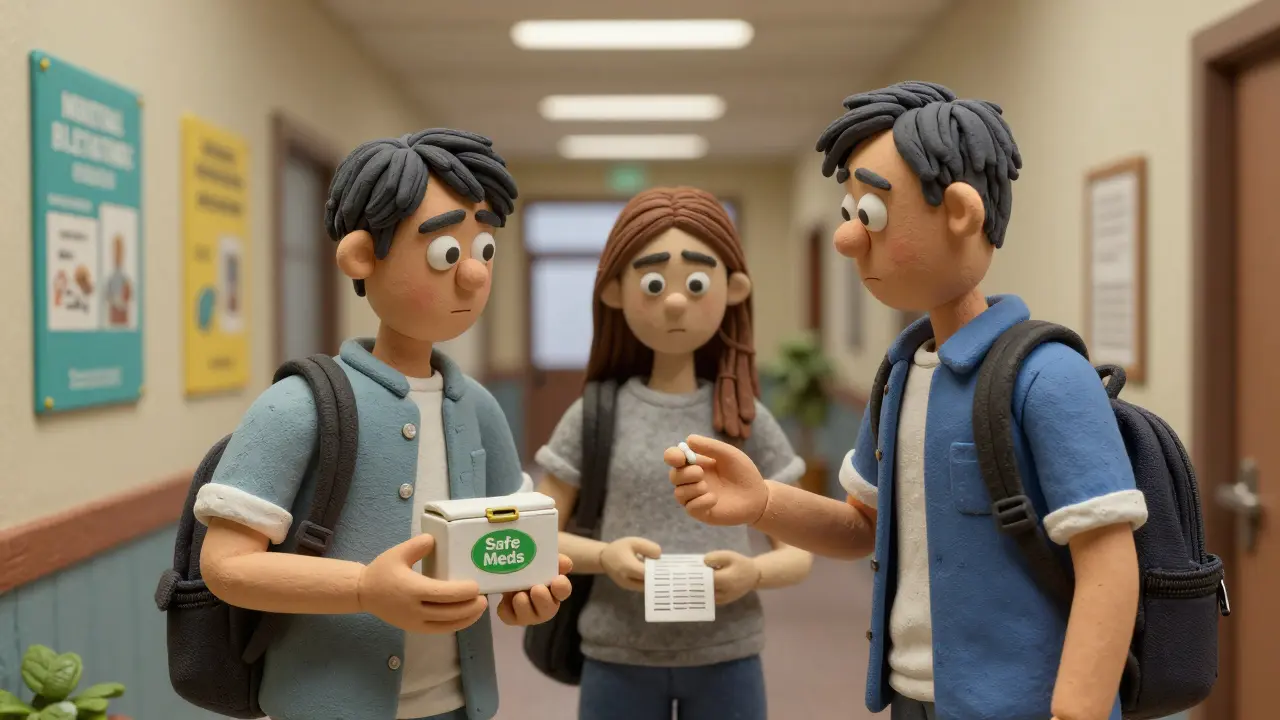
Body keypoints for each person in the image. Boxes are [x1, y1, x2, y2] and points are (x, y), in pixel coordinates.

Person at [665, 83, 1147, 720]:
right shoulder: (900, 375)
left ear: (960, 212)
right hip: (911, 695)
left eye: (871, 216)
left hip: (1024, 704)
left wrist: (1078, 709)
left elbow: (1110, 564)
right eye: (848, 215)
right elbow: (862, 526)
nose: (846, 241)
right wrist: (764, 503)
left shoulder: (1048, 375)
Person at [194, 129, 572, 720]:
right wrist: (365, 589)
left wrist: (527, 588)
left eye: (485, 251)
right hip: (327, 703)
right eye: (446, 252)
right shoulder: (299, 406)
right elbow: (225, 566)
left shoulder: (478, 409)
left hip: (459, 703)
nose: (472, 276)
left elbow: (513, 542)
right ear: (363, 256)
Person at [535, 187, 814, 720]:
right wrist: (604, 557)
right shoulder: (597, 413)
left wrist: (753, 574)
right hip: (617, 652)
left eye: (697, 282)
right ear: (616, 291)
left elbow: (800, 551)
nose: (677, 301)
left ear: (733, 289)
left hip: (728, 651)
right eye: (655, 282)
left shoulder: (742, 417)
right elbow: (538, 531)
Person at [105, 234, 131, 326]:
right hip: (113, 320)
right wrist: (115, 301)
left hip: (123, 321)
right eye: (115, 251)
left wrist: (122, 301)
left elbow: (128, 298)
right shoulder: (110, 280)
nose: (117, 254)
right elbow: (107, 297)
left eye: (119, 251)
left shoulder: (126, 280)